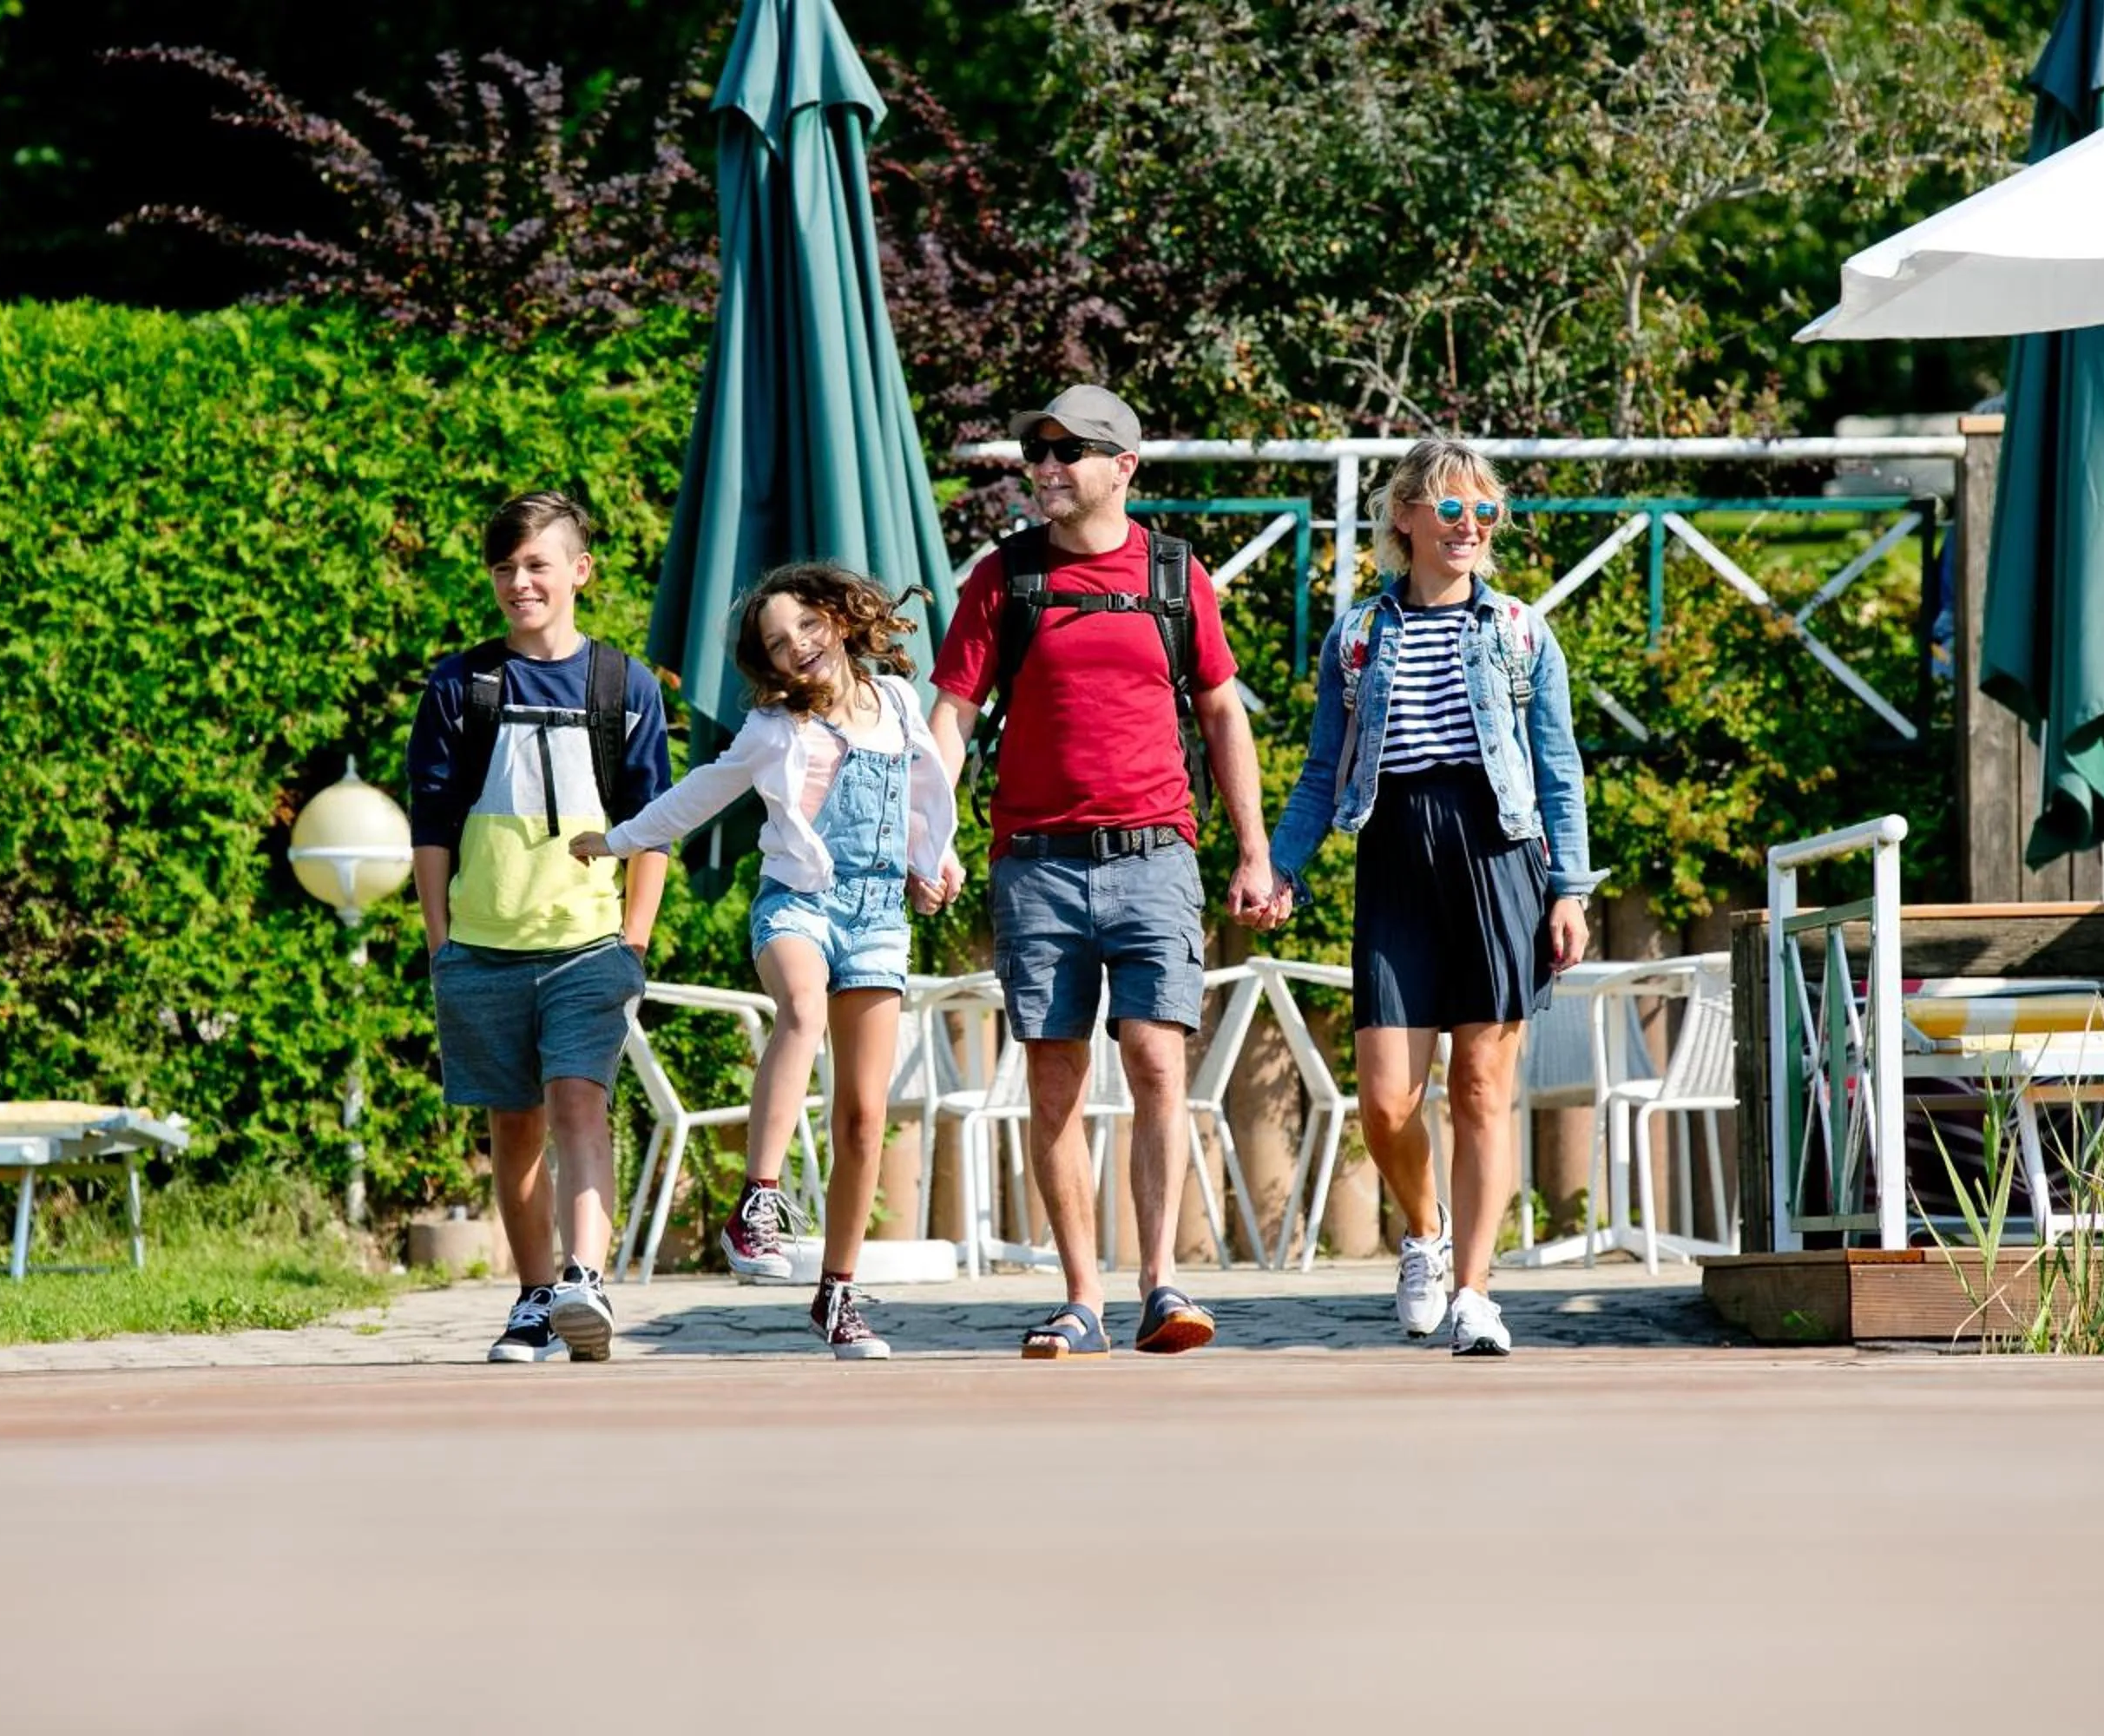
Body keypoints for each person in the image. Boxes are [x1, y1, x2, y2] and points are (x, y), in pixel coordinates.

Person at [927, 384, 1277, 1359]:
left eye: (1067, 451)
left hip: (1155, 853)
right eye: (1036, 451)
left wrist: (1253, 848)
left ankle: (1160, 1285)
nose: (1045, 466)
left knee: (1159, 1061)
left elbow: (1221, 711)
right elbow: (952, 714)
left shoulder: (1173, 573)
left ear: (1123, 466)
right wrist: (930, 831)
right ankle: (1082, 1299)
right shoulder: (1004, 578)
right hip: (1035, 863)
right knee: (1053, 1078)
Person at [571, 562, 962, 1360]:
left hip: (878, 918)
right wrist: (616, 841)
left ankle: (838, 1294)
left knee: (864, 1118)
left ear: (839, 620)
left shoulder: (896, 702)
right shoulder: (774, 729)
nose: (799, 647)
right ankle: (757, 1200)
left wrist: (934, 864)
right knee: (802, 1010)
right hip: (797, 905)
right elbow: (700, 794)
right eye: (779, 644)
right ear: (770, 664)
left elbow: (923, 801)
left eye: (807, 627)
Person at [1264, 437, 1601, 1356]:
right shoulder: (1359, 636)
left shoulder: (1521, 630)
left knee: (1482, 1087)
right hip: (1396, 858)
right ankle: (1424, 1232)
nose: (1469, 526)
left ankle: (1475, 1292)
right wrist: (1280, 865)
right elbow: (1323, 770)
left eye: (1485, 510)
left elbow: (1559, 769)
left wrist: (1569, 889)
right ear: (1405, 516)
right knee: (1386, 1101)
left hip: (1498, 854)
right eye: (1451, 508)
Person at [407, 490, 673, 1364]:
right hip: (482, 948)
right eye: (504, 568)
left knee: (578, 1103)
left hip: (589, 947)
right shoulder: (461, 686)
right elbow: (432, 823)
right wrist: (441, 941)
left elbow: (653, 824)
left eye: (536, 564)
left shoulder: (624, 686)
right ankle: (533, 1300)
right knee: (514, 1129)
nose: (519, 582)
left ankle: (583, 1282)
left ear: (580, 571)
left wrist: (634, 940)